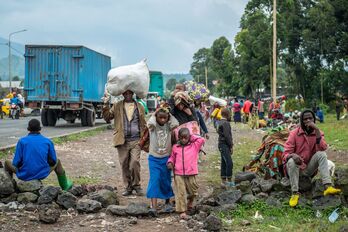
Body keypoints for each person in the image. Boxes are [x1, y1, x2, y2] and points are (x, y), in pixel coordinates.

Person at [282, 110, 341, 207]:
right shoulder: (294, 133)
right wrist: (293, 155)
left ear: (314, 119)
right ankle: (295, 193)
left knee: (321, 154)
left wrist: (317, 130)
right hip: (295, 169)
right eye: (305, 119)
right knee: (291, 161)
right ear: (301, 121)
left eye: (310, 118)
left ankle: (328, 186)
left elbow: (323, 148)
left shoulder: (318, 132)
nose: (308, 121)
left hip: (308, 169)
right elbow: (285, 154)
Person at [4, 119, 73, 190]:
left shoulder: (22, 141)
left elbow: (16, 162)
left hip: (24, 175)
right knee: (58, 162)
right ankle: (65, 185)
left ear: (28, 129)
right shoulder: (47, 141)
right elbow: (53, 161)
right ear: (40, 128)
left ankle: (9, 187)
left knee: (7, 162)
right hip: (42, 174)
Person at [103, 90, 147, 196]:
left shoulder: (139, 106)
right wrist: (105, 104)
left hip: (136, 140)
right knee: (124, 164)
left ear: (133, 94)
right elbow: (107, 117)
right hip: (122, 140)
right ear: (122, 94)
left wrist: (144, 139)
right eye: (125, 94)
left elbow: (143, 123)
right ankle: (128, 187)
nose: (127, 95)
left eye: (130, 93)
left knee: (134, 163)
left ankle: (137, 185)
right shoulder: (117, 105)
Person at [146, 104, 179, 216]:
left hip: (166, 158)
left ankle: (167, 202)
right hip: (154, 158)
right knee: (154, 180)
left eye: (165, 117)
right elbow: (150, 122)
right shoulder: (153, 127)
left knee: (165, 180)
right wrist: (155, 114)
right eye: (160, 117)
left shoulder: (169, 127)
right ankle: (154, 207)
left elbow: (176, 123)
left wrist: (168, 114)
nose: (163, 120)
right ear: (156, 117)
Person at [167, 128, 205, 219]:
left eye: (186, 137)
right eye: (182, 137)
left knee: (193, 190)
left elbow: (202, 139)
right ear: (178, 137)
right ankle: (182, 211)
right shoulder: (175, 147)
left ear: (189, 137)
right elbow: (172, 157)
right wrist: (170, 163)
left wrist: (191, 136)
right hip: (178, 173)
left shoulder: (194, 145)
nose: (184, 139)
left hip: (191, 172)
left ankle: (191, 201)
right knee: (181, 192)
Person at [217, 108, 234, 187]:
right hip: (224, 144)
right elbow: (227, 136)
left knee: (224, 162)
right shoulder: (226, 123)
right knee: (229, 162)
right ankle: (229, 180)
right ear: (228, 114)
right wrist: (231, 145)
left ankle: (223, 180)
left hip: (221, 144)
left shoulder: (219, 122)